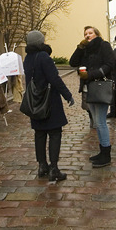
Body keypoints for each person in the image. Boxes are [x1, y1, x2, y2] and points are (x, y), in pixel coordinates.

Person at [23, 30, 74, 181]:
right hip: (49, 101)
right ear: (41, 42)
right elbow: (55, 79)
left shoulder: (27, 58)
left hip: (34, 102)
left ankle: (42, 166)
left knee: (39, 134)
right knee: (54, 133)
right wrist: (68, 95)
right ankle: (54, 168)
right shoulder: (44, 57)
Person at [69, 26, 115, 167]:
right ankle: (102, 151)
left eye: (90, 33)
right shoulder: (85, 48)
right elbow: (73, 62)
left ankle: (106, 155)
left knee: (100, 122)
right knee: (96, 121)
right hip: (89, 88)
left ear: (96, 33)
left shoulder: (104, 45)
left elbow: (110, 65)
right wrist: (80, 47)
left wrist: (91, 74)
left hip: (100, 86)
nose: (87, 35)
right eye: (85, 34)